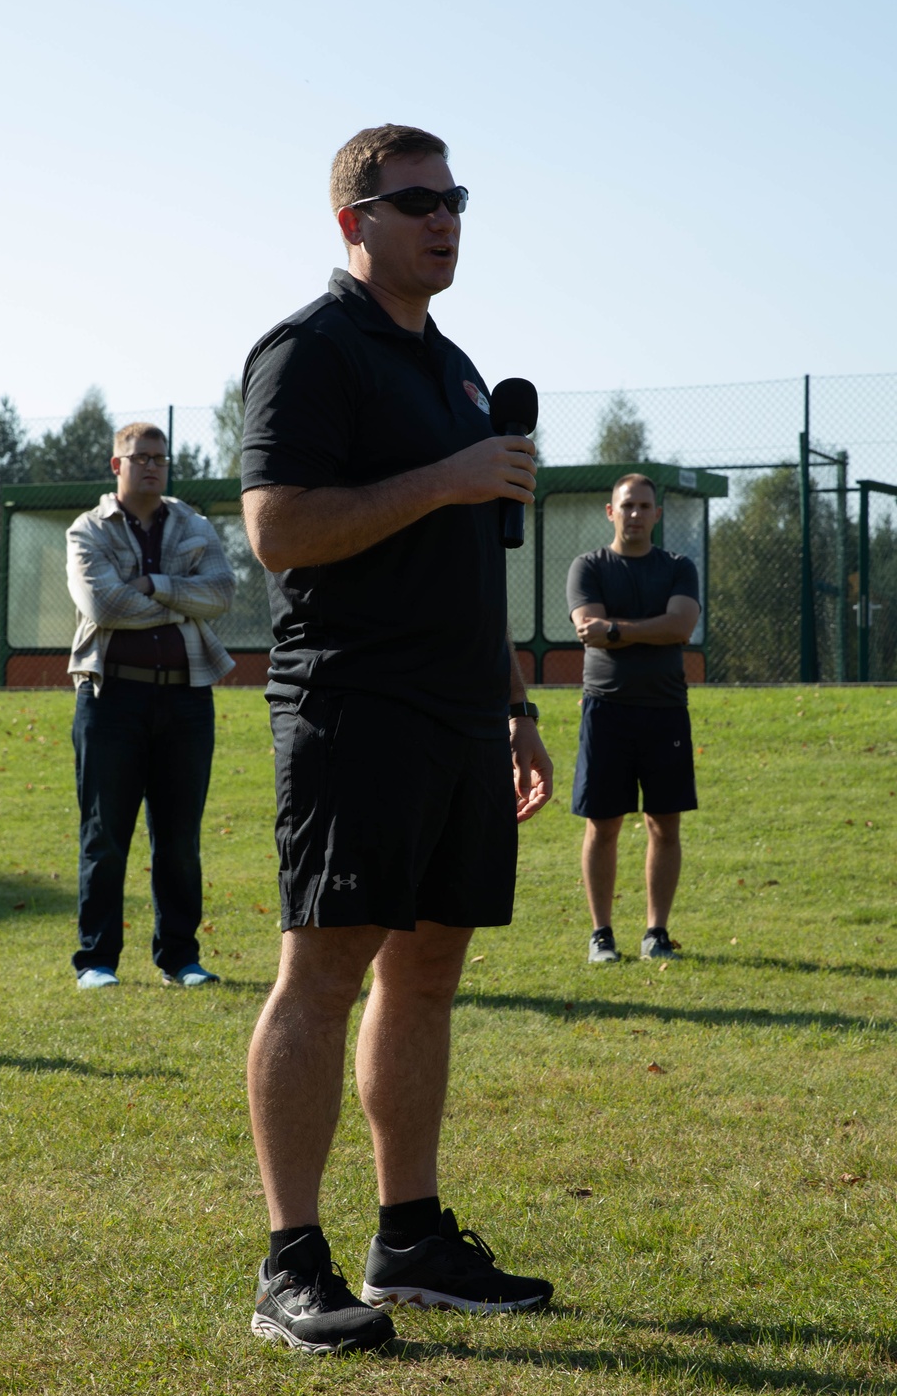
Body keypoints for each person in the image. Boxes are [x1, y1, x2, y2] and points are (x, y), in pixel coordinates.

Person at [239, 124, 555, 1355]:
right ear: (351, 222)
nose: (443, 218)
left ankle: (410, 1237)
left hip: (460, 715)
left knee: (426, 971)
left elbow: (472, 565)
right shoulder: (308, 352)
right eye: (415, 200)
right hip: (351, 707)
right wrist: (446, 475)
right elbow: (277, 530)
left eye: (454, 198)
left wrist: (516, 709)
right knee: (322, 972)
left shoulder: (459, 370)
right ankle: (289, 1262)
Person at [66, 422, 236, 989]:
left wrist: (152, 584)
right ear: (116, 466)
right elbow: (103, 604)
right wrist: (178, 599)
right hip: (110, 697)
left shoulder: (194, 524)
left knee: (180, 838)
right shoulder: (85, 530)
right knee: (104, 836)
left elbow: (220, 594)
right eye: (138, 457)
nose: (151, 466)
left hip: (187, 698)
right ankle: (97, 962)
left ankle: (180, 959)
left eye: (159, 457)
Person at [567, 473, 701, 965]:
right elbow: (588, 630)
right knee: (603, 826)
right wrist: (653, 630)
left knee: (664, 825)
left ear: (657, 515)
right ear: (611, 511)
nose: (636, 515)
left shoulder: (679, 567)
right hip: (606, 710)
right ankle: (601, 935)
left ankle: (656, 933)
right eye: (628, 506)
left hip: (665, 711)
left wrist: (618, 628)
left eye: (645, 507)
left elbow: (682, 625)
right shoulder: (588, 567)